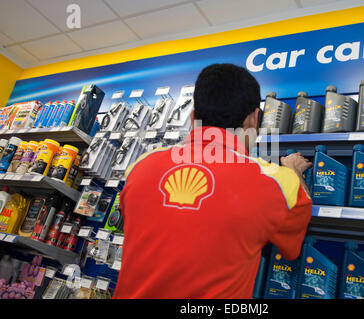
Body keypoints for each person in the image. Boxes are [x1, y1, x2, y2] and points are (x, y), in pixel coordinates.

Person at [113, 63, 313, 299]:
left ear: (193, 117)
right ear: (254, 118)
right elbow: (291, 249)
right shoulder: (278, 181)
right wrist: (294, 170)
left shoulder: (140, 166)